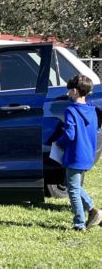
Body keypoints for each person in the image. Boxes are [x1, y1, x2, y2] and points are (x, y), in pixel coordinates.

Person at [56, 74, 102, 231]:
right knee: (73, 185)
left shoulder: (71, 110)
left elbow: (70, 134)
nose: (67, 93)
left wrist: (59, 143)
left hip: (75, 154)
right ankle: (93, 211)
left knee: (73, 189)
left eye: (68, 91)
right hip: (88, 153)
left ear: (74, 91)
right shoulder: (93, 110)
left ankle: (79, 223)